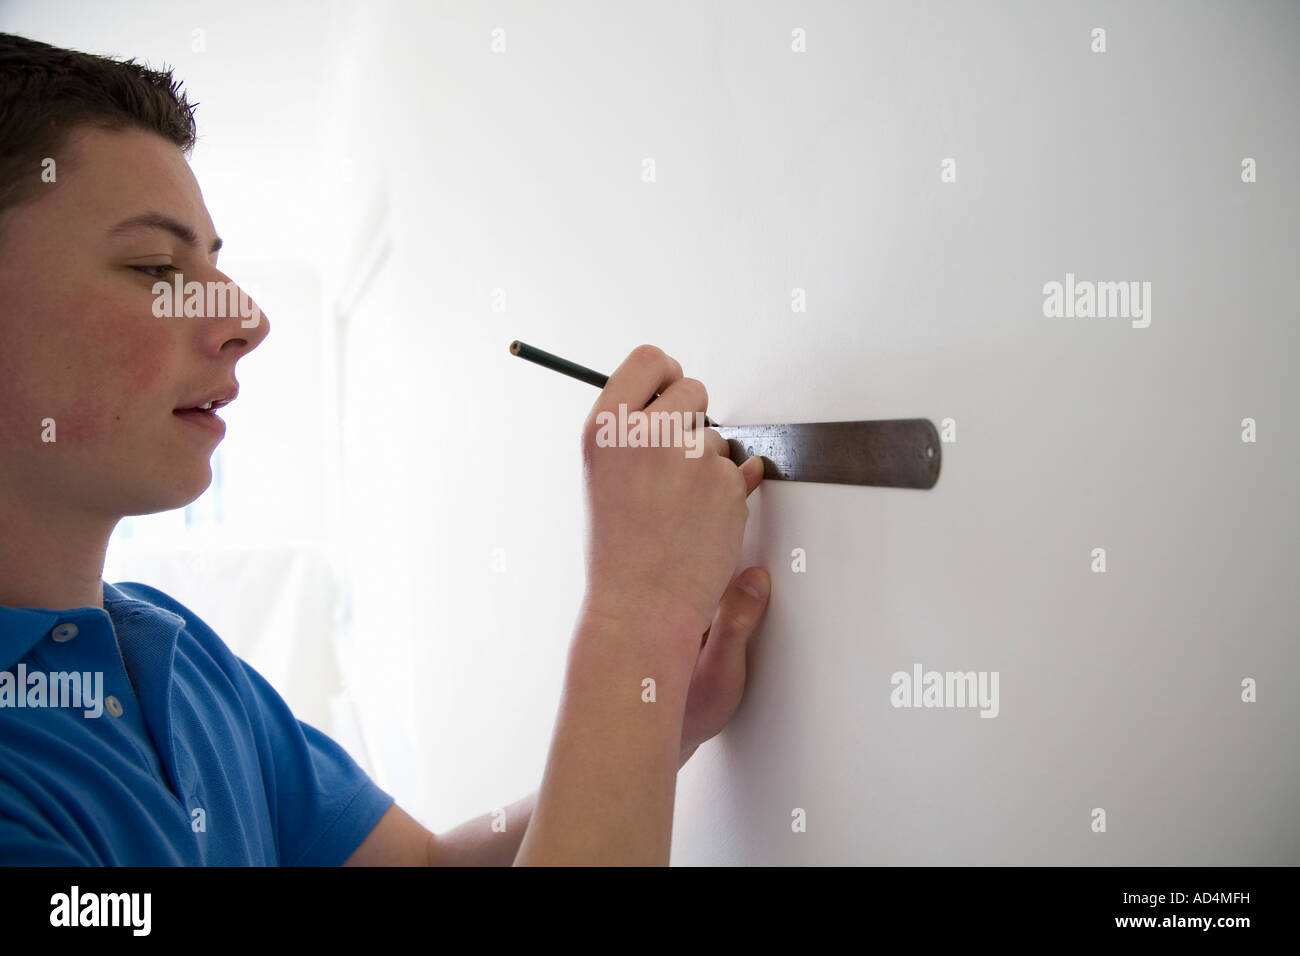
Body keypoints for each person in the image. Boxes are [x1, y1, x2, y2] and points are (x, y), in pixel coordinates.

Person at [0, 32, 771, 866]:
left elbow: (427, 865)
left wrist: (655, 717)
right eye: (155, 268)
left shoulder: (179, 657)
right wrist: (635, 618)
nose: (249, 319)